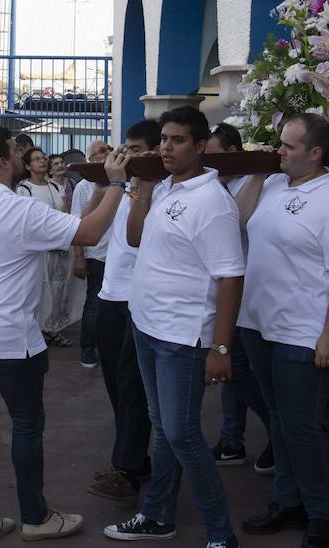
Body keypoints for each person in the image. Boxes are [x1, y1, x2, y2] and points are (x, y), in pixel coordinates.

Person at [0, 124, 131, 545]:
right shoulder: (18, 209)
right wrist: (117, 184)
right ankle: (35, 516)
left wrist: (101, 190)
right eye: (15, 149)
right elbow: (89, 233)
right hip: (9, 336)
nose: (22, 152)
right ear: (4, 161)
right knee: (26, 425)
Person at [103, 107, 242, 548]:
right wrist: (140, 189)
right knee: (162, 428)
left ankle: (222, 535)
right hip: (148, 326)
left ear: (200, 146)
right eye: (163, 139)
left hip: (184, 337)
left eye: (177, 140)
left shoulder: (212, 201)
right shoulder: (165, 188)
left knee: (182, 435)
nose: (166, 146)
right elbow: (136, 238)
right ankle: (158, 515)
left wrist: (221, 348)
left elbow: (231, 276)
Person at [237, 114, 329, 548]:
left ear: (315, 153)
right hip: (259, 323)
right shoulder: (273, 184)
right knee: (280, 419)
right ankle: (287, 501)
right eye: (279, 144)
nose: (280, 151)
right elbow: (236, 223)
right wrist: (257, 175)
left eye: (289, 146)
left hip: (305, 331)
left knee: (302, 426)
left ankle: (320, 513)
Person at [86, 120, 158, 505]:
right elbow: (90, 226)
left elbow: (137, 235)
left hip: (139, 300)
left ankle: (126, 469)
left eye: (136, 148)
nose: (128, 155)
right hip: (111, 296)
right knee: (117, 385)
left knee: (133, 386)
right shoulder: (122, 184)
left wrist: (135, 188)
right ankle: (133, 458)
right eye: (125, 147)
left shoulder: (157, 189)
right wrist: (104, 186)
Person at [203, 123, 273, 473]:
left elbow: (236, 221)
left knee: (241, 371)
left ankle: (279, 430)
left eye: (212, 154)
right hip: (222, 294)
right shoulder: (217, 182)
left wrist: (258, 174)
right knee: (229, 372)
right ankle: (232, 438)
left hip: (247, 294)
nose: (206, 161)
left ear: (233, 154)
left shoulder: (255, 182)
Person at [17, 149, 73, 347]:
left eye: (43, 158)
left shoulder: (55, 187)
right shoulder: (24, 189)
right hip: (39, 250)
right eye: (37, 159)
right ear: (27, 166)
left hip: (59, 247)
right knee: (39, 289)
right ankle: (35, 329)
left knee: (58, 289)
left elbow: (65, 214)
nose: (42, 161)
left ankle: (51, 328)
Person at [71, 140, 112, 369]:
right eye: (100, 152)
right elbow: (77, 224)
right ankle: (88, 348)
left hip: (117, 253)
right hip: (96, 253)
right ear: (92, 160)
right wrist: (79, 257)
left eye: (107, 149)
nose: (106, 154)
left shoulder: (124, 181)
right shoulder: (84, 187)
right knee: (94, 302)